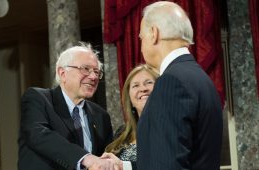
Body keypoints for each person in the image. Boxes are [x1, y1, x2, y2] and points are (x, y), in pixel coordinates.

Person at [137, 1, 223, 170]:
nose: (141, 46)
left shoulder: (171, 82)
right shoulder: (201, 79)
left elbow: (166, 164)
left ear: (154, 33)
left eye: (141, 37)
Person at [18, 42, 117, 170]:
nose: (93, 77)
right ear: (62, 73)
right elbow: (38, 135)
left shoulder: (101, 115)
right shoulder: (37, 98)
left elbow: (103, 159)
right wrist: (86, 158)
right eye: (85, 69)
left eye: (97, 72)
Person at [102, 64, 158, 170]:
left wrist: (124, 166)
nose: (143, 89)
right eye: (136, 85)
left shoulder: (172, 128)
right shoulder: (122, 132)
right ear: (130, 100)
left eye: (149, 83)